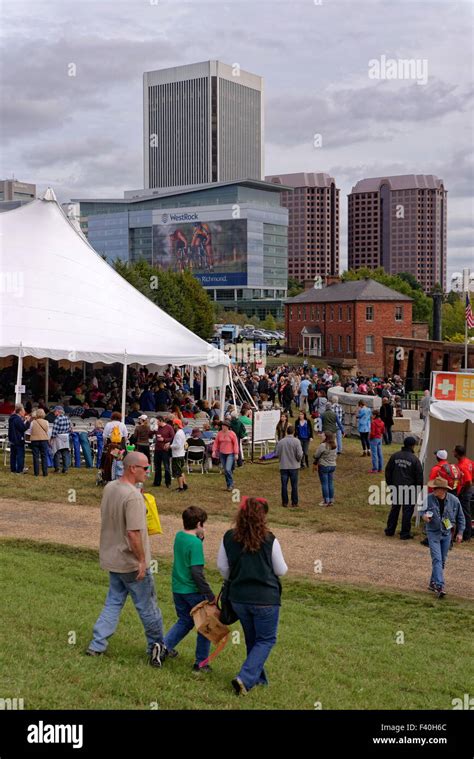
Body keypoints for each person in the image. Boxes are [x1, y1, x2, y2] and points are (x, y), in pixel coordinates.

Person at [87, 452, 166, 665]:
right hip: (131, 562)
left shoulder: (110, 487)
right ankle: (157, 646)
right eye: (145, 468)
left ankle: (97, 644)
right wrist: (141, 560)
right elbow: (133, 533)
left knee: (113, 601)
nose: (148, 472)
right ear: (133, 468)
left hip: (113, 558)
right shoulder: (133, 496)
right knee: (147, 606)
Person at [217, 496, 288, 695]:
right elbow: (281, 570)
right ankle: (245, 678)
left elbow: (223, 568)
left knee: (253, 639)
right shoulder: (269, 539)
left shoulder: (229, 537)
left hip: (239, 598)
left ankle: (258, 679)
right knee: (266, 640)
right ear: (262, 517)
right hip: (265, 598)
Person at [163, 507, 215, 672]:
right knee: (205, 626)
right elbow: (197, 573)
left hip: (178, 589)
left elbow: (187, 555)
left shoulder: (179, 536)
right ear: (199, 524)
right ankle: (201, 662)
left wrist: (200, 539)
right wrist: (209, 594)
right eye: (203, 524)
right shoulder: (195, 544)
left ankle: (163, 647)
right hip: (193, 591)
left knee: (185, 621)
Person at [419, 477, 465, 598]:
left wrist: (460, 533)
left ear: (444, 490)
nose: (434, 490)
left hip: (447, 534)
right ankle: (440, 585)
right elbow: (421, 511)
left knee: (442, 561)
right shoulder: (428, 499)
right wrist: (424, 516)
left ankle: (432, 583)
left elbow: (461, 517)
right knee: (437, 559)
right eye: (434, 488)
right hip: (433, 533)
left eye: (437, 488)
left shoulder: (454, 501)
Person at [384, 437, 423, 540]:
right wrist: (418, 490)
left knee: (395, 509)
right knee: (407, 511)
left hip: (396, 487)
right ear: (413, 445)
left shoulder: (395, 456)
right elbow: (419, 477)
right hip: (409, 490)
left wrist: (391, 485)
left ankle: (390, 530)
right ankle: (405, 533)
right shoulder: (415, 460)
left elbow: (388, 472)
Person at [275, 425, 303, 507]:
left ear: (287, 431)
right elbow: (299, 454)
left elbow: (277, 453)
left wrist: (281, 458)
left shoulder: (281, 442)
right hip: (294, 466)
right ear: (294, 432)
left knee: (284, 485)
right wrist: (298, 460)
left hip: (284, 466)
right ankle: (294, 502)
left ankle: (285, 502)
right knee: (294, 485)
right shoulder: (297, 441)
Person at [212, 418, 239, 491]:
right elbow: (216, 443)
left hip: (230, 453)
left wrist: (236, 453)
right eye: (222, 425)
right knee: (226, 470)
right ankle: (229, 484)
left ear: (228, 427)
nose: (223, 427)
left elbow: (236, 444)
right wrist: (214, 451)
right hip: (222, 454)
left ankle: (230, 484)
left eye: (224, 426)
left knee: (227, 469)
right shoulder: (219, 433)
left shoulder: (232, 434)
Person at [313, 431, 337, 507]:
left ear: (326, 437)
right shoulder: (334, 445)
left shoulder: (323, 445)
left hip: (324, 465)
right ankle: (331, 499)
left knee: (324, 483)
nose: (321, 436)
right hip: (332, 465)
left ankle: (326, 500)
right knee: (330, 483)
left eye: (323, 435)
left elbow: (316, 455)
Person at [453, 445, 472, 542]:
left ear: (457, 453)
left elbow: (468, 481)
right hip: (466, 490)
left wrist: (462, 492)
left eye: (454, 451)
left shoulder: (462, 465)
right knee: (464, 513)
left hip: (464, 491)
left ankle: (466, 535)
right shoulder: (469, 462)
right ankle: (465, 533)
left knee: (464, 513)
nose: (453, 452)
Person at [8, 403, 30, 474]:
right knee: (20, 455)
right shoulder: (17, 419)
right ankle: (19, 470)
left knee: (13, 455)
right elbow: (22, 428)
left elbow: (18, 427)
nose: (24, 413)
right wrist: (28, 422)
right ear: (20, 411)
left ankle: (13, 469)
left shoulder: (12, 418)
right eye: (23, 411)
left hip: (12, 438)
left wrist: (24, 420)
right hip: (18, 439)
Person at [153, 417, 174, 488]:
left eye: (157, 421)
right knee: (157, 467)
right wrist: (152, 428)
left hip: (165, 450)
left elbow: (172, 437)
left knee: (166, 467)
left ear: (161, 421)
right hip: (157, 449)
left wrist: (164, 439)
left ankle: (168, 482)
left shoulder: (169, 427)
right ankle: (157, 482)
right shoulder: (156, 428)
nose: (156, 423)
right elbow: (150, 434)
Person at [50, 405, 72, 474]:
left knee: (57, 453)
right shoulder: (67, 418)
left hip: (58, 437)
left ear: (58, 411)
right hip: (65, 437)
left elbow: (54, 431)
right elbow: (70, 428)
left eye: (55, 411)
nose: (54, 413)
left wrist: (51, 438)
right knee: (65, 453)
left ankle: (57, 469)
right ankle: (65, 469)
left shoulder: (57, 419)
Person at [29, 408, 49, 477]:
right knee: (44, 456)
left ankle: (36, 473)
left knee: (36, 457)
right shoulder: (46, 422)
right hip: (44, 440)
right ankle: (45, 472)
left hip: (34, 440)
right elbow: (47, 430)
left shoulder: (33, 422)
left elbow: (30, 431)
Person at [171, 418, 188, 492]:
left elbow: (177, 445)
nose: (173, 425)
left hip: (177, 455)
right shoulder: (182, 432)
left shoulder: (178, 433)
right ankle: (184, 484)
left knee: (178, 473)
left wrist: (170, 446)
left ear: (176, 425)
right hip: (181, 454)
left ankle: (181, 487)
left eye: (174, 424)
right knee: (181, 471)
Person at [368, 409, 385, 473]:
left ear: (375, 415)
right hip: (379, 438)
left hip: (374, 438)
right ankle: (380, 468)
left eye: (372, 415)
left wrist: (370, 438)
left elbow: (372, 433)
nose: (371, 416)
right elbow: (383, 431)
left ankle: (375, 468)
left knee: (374, 454)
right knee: (380, 453)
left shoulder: (373, 422)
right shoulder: (382, 422)